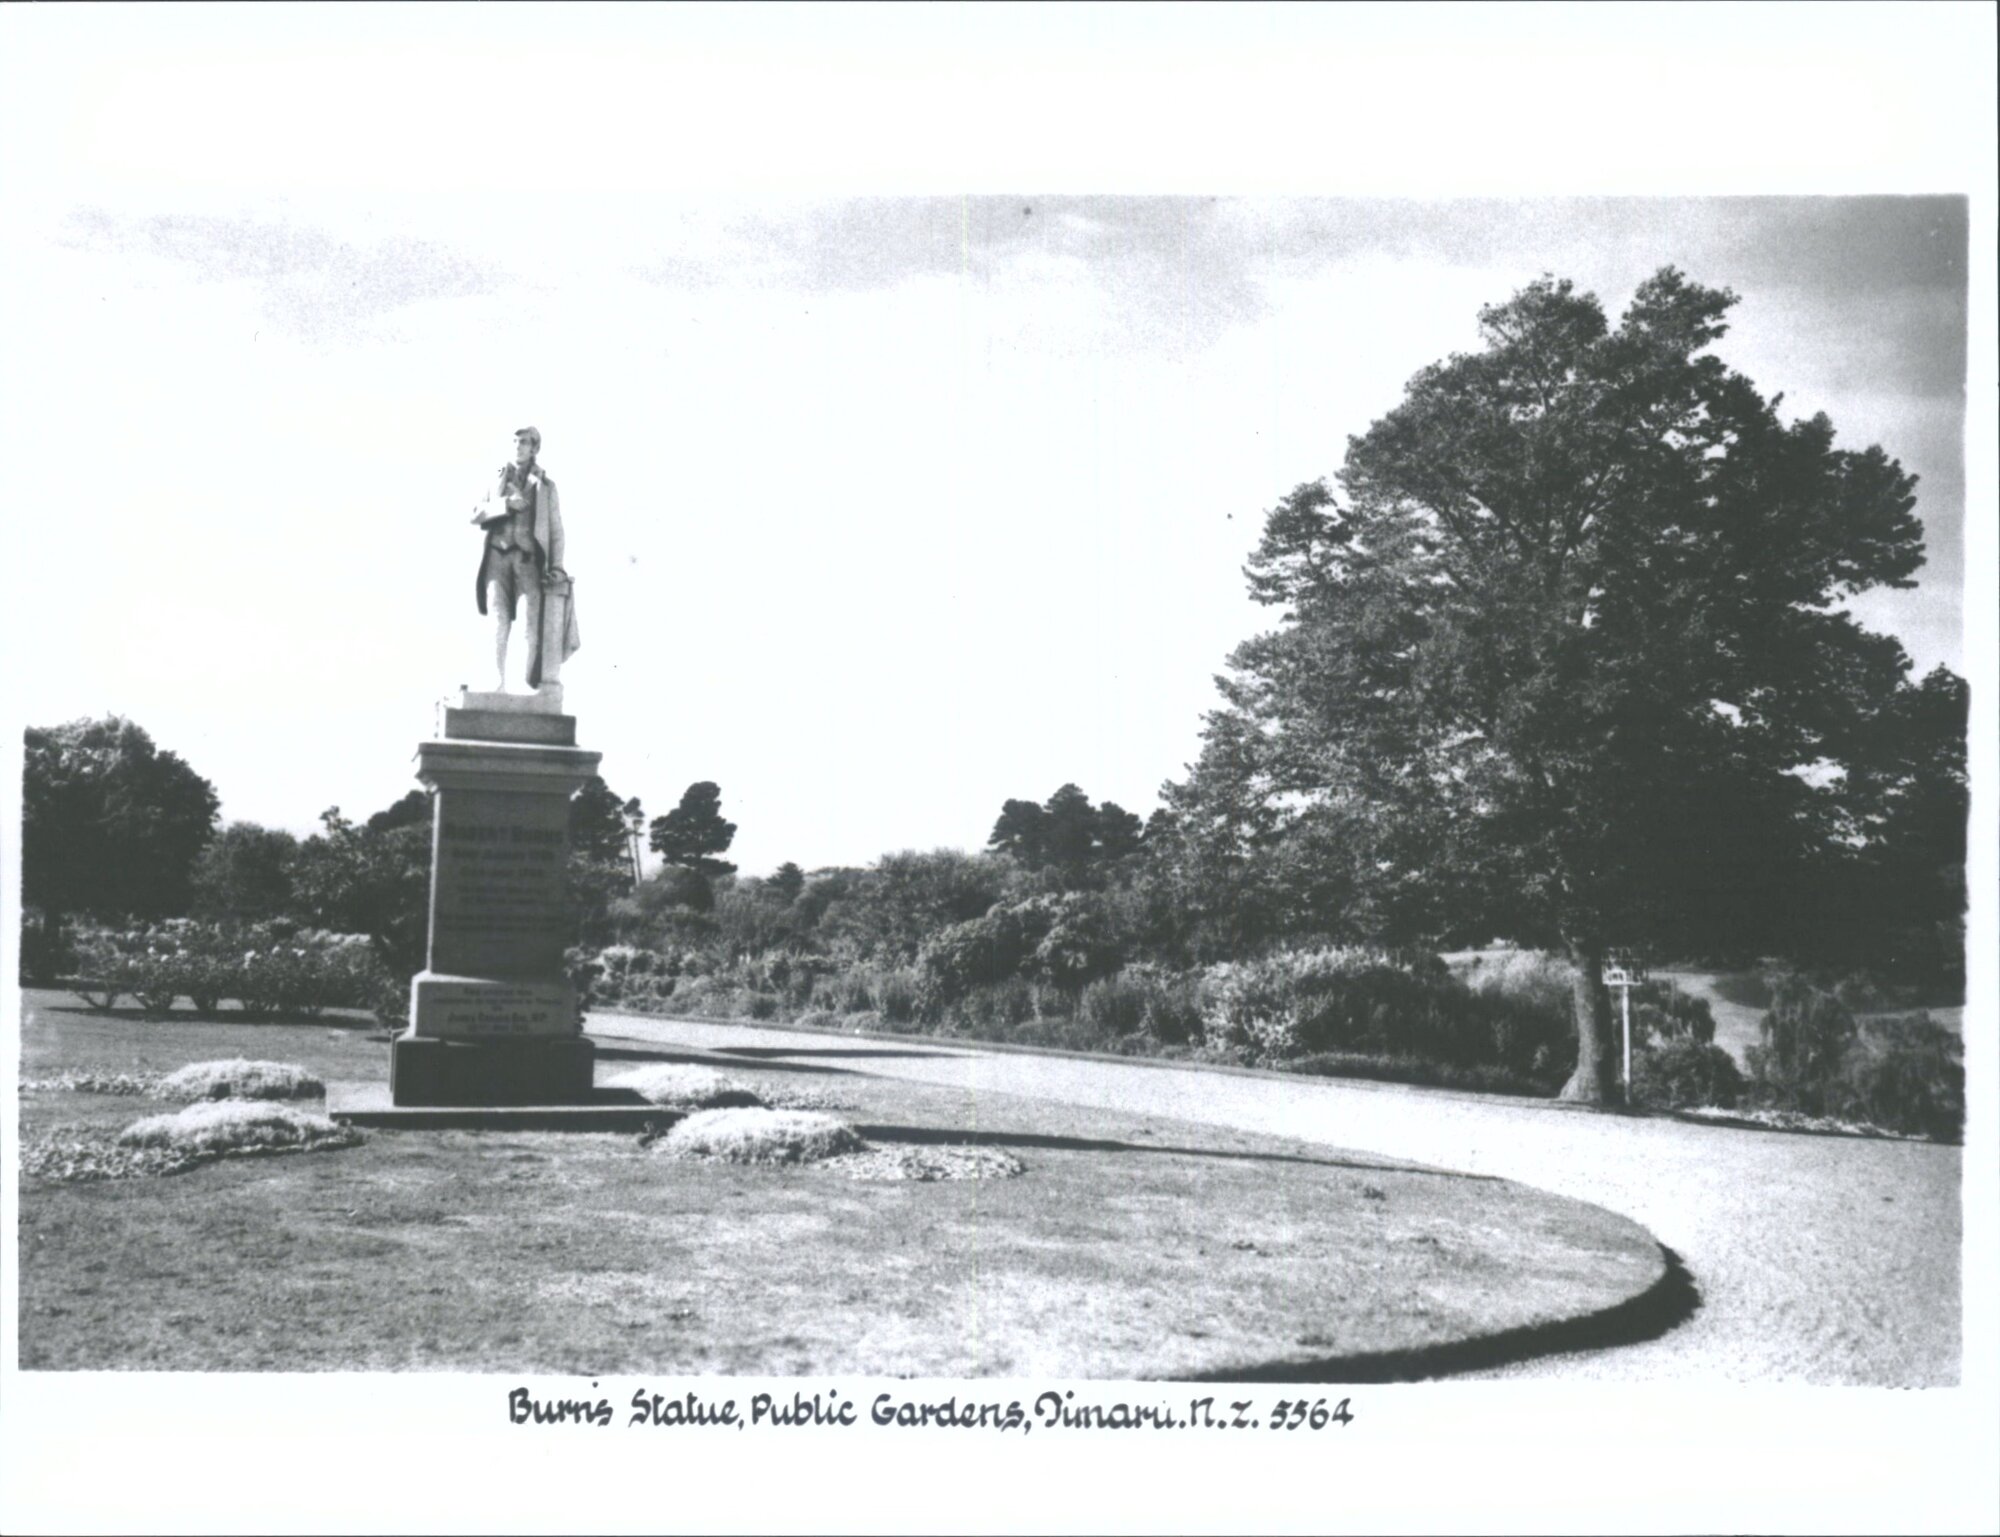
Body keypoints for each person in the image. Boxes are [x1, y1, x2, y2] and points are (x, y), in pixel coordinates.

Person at [472, 426, 579, 692]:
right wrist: (506, 504)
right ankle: (496, 682)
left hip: (528, 560)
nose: (518, 447)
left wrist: (557, 566)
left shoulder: (545, 486)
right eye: (515, 442)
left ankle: (522, 682)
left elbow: (556, 530)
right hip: (497, 557)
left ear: (534, 448)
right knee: (497, 621)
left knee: (529, 625)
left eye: (523, 442)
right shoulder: (498, 477)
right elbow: (476, 513)